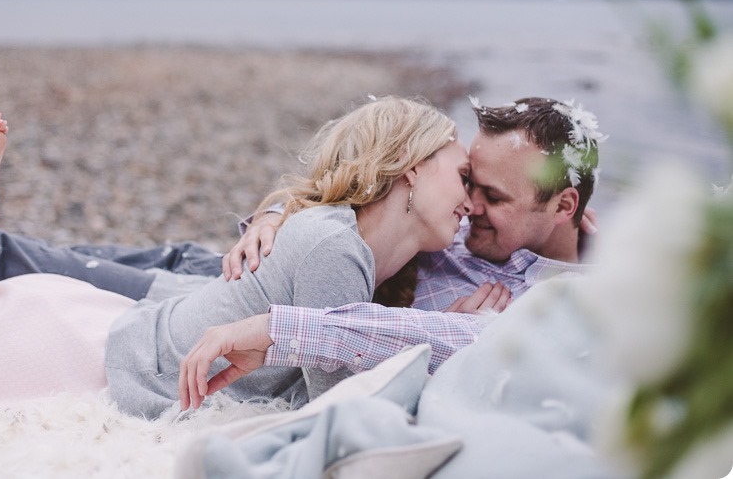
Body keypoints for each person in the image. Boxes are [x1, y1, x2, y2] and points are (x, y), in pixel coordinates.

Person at [0, 96, 474, 419]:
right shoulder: (337, 248)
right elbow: (341, 410)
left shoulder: (340, 239)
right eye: (461, 176)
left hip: (87, 327)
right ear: (410, 170)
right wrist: (458, 341)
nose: (471, 200)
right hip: (69, 351)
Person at [178, 96, 604, 409]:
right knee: (176, 263)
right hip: (257, 288)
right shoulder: (459, 228)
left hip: (286, 333)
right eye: (468, 181)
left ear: (564, 206)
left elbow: (466, 339)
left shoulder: (566, 301)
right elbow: (364, 186)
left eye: (493, 196)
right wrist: (276, 216)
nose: (471, 205)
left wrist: (282, 330)